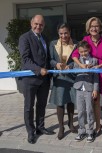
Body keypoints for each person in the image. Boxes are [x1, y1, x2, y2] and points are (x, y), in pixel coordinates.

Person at [72, 17, 102, 142]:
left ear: (100, 27)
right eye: (91, 26)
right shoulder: (85, 40)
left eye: (96, 26)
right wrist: (81, 65)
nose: (94, 28)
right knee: (95, 102)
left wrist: (98, 66)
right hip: (91, 77)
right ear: (88, 29)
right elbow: (75, 54)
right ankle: (98, 125)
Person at [18, 14, 55, 144]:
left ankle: (40, 127)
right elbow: (25, 59)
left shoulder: (44, 38)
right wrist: (39, 70)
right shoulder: (24, 38)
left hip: (44, 80)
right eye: (36, 24)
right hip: (30, 79)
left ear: (44, 26)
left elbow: (47, 58)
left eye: (41, 24)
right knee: (29, 106)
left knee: (42, 105)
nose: (38, 26)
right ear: (31, 23)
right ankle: (30, 131)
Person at [49, 23, 78, 140]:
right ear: (58, 33)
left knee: (71, 101)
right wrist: (56, 64)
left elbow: (78, 59)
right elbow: (49, 59)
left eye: (66, 33)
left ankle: (71, 124)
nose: (63, 35)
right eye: (61, 33)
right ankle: (61, 127)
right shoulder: (52, 44)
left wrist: (70, 65)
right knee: (60, 102)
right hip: (59, 77)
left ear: (69, 32)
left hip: (71, 77)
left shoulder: (76, 44)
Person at [73, 40, 99, 143]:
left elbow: (96, 77)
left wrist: (95, 89)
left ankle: (90, 132)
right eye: (81, 52)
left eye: (85, 51)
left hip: (89, 89)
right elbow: (74, 72)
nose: (83, 53)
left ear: (88, 50)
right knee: (80, 111)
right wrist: (80, 66)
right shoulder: (77, 61)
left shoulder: (94, 61)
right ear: (78, 52)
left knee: (89, 111)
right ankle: (81, 131)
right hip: (79, 88)